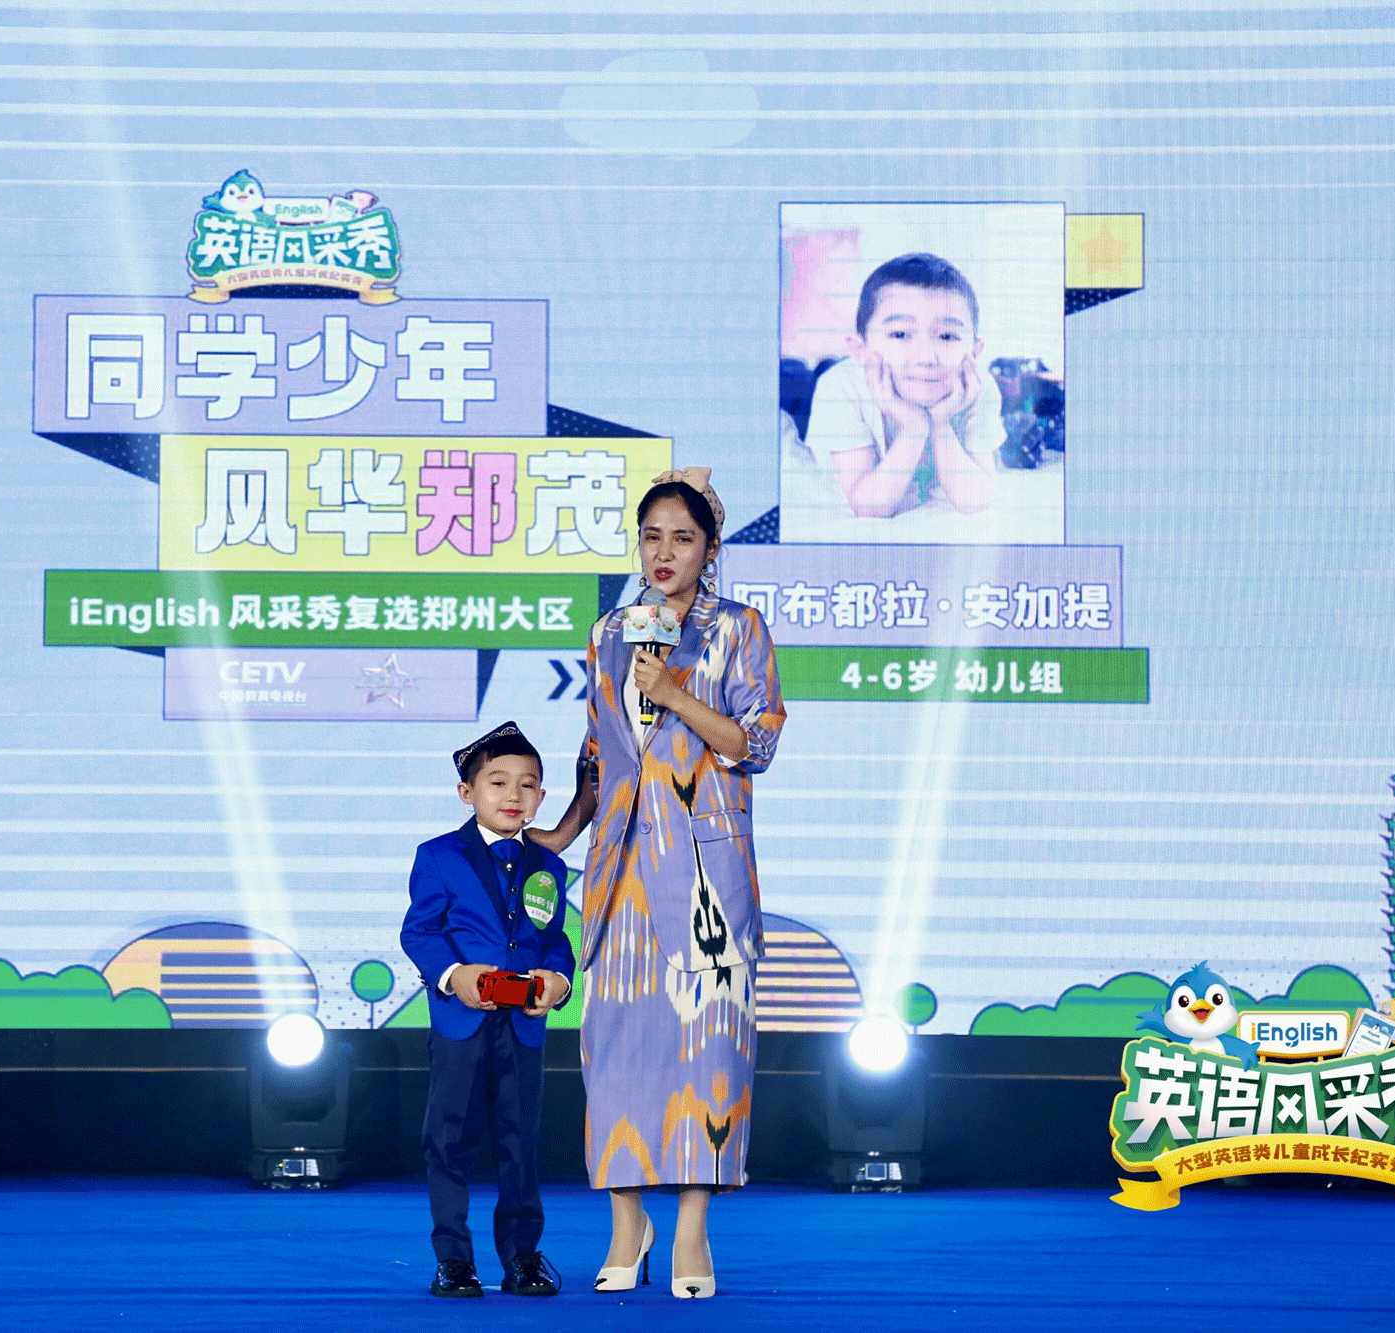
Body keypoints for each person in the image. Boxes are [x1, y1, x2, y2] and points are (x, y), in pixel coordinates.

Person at [530, 468, 786, 1300]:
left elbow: (753, 743)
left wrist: (674, 691)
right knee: (617, 1054)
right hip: (621, 873)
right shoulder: (611, 630)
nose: (664, 552)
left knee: (709, 1054)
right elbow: (600, 752)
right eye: (651, 537)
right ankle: (625, 1224)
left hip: (706, 874)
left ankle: (692, 1230)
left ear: (710, 548)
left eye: (682, 537)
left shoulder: (738, 628)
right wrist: (561, 834)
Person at [399, 721, 576, 1299]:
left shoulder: (548, 865)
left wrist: (558, 980)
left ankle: (522, 1257)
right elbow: (419, 931)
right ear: (467, 792)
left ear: (542, 797)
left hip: (523, 1026)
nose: (513, 795)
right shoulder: (438, 855)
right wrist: (455, 976)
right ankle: (453, 1260)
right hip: (462, 1022)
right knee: (449, 1140)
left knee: (519, 1142)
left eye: (528, 784)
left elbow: (554, 938)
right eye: (497, 782)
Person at [802, 251, 1002, 518]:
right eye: (900, 334)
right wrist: (915, 427)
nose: (927, 357)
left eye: (947, 336)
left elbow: (974, 501)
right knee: (797, 387)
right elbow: (869, 506)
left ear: (974, 353)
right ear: (860, 349)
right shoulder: (840, 388)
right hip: (827, 387)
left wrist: (940, 423)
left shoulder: (977, 386)